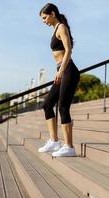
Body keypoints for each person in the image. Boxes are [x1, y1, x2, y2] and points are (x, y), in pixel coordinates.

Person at [38, 3, 80, 157]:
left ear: (53, 13)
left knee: (63, 107)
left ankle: (69, 147)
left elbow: (69, 50)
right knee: (48, 105)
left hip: (68, 71)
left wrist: (61, 71)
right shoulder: (55, 29)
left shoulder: (61, 27)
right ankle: (54, 141)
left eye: (45, 17)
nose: (44, 21)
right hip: (61, 71)